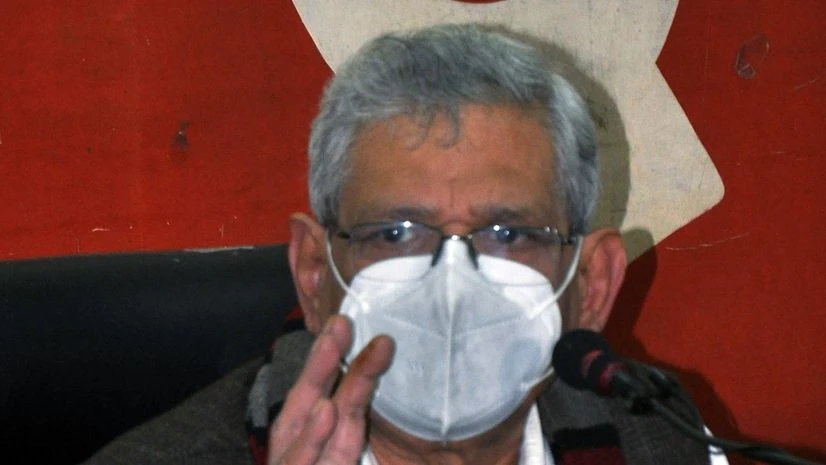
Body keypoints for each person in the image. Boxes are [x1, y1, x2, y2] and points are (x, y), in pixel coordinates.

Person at [84, 23, 725, 465]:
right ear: (314, 273)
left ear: (591, 286)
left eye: (508, 234)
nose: (453, 285)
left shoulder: (661, 440)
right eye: (396, 233)